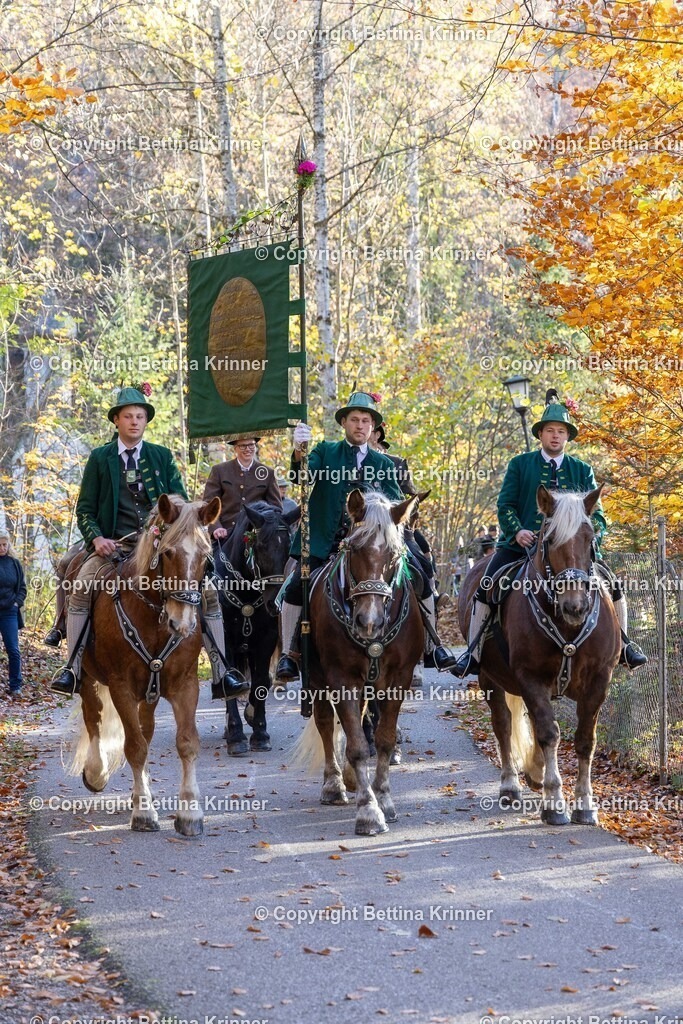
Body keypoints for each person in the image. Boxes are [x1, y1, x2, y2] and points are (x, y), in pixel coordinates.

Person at [50, 386, 249, 700]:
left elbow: (181, 502)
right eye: (128, 416)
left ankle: (222, 673)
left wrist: (188, 520)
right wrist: (97, 538)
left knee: (208, 591)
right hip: (113, 547)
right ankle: (72, 668)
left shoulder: (161, 456)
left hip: (160, 548)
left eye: (139, 416)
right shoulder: (100, 458)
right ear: (116, 420)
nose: (134, 422)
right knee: (81, 586)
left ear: (145, 421)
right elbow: (85, 509)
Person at [451, 391, 647, 678]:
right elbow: (505, 505)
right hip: (521, 547)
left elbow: (599, 515)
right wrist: (517, 531)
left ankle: (625, 647)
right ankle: (473, 652)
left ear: (567, 437)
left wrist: (591, 541)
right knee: (487, 585)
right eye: (550, 431)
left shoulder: (582, 470)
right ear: (540, 434)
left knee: (614, 586)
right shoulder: (520, 465)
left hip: (573, 553)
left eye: (561, 432)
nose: (556, 436)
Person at [275, 391, 455, 681]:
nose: (360, 425)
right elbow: (301, 478)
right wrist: (299, 452)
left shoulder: (384, 465)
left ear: (373, 427)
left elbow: (397, 507)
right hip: (326, 543)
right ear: (344, 423)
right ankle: (289, 654)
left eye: (366, 421)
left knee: (420, 577)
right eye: (355, 420)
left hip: (372, 546)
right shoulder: (323, 451)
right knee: (295, 587)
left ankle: (434, 645)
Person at [202, 436, 282, 542]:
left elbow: (276, 508)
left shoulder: (268, 473)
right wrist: (216, 528)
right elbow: (209, 504)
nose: (248, 449)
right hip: (225, 534)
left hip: (256, 537)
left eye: (251, 445)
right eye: (243, 446)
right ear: (235, 448)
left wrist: (266, 528)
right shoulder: (219, 471)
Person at [0, 533, 26, 696]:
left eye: (4, 545)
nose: (2, 548)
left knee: (13, 650)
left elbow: (22, 588)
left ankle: (15, 686)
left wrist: (17, 603)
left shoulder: (14, 564)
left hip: (9, 612)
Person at [369, 422, 418, 496]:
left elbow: (410, 498)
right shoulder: (346, 459)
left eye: (368, 429)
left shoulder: (397, 464)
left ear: (377, 435)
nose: (361, 430)